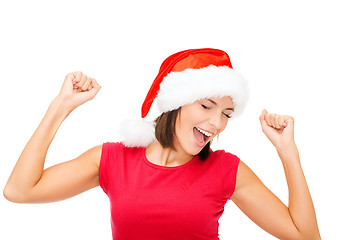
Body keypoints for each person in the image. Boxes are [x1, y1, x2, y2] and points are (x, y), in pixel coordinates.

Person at [3, 48, 321, 240]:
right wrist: (61, 106)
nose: (217, 124)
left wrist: (287, 152)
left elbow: (304, 237)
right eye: (206, 106)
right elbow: (19, 191)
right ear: (175, 104)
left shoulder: (226, 170)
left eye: (226, 113)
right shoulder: (114, 159)